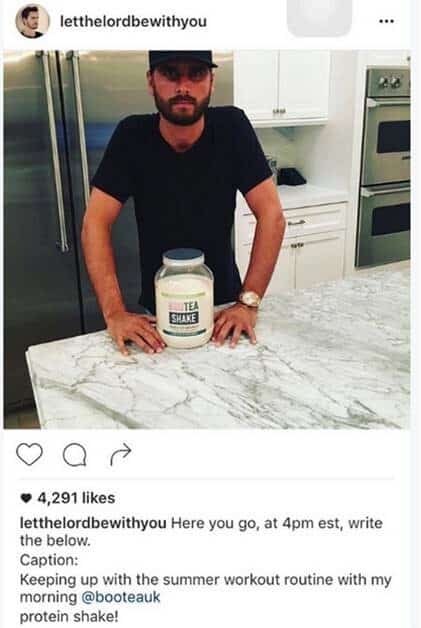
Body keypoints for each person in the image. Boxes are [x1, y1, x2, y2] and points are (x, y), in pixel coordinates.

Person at [82, 50, 285, 355]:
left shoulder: (232, 128)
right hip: (158, 310)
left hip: (225, 307)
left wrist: (248, 302)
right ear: (151, 81)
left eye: (196, 74)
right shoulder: (131, 135)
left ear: (212, 81)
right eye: (171, 74)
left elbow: (271, 214)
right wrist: (114, 313)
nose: (184, 87)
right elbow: (95, 222)